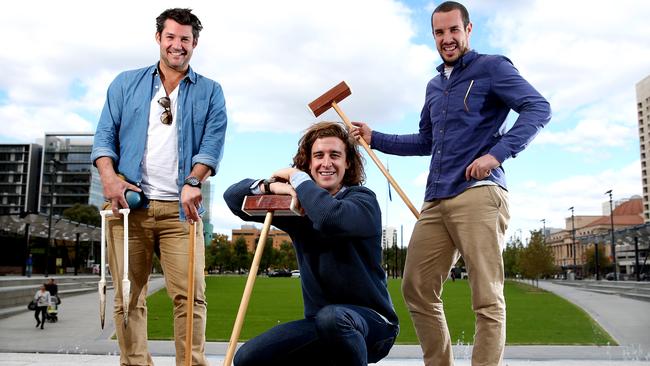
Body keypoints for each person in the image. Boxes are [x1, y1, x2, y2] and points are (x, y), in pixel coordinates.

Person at [352, 2, 551, 365]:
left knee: (486, 296)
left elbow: (538, 108)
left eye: (453, 30)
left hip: (479, 194)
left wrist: (497, 154)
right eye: (439, 33)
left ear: (468, 30)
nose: (447, 39)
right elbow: (425, 141)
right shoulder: (433, 85)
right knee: (416, 286)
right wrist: (374, 136)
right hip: (436, 199)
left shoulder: (491, 68)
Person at [91, 7, 227, 366]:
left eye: (185, 39)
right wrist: (109, 177)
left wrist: (193, 181)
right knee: (127, 297)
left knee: (190, 298)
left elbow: (211, 145)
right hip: (127, 207)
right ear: (158, 39)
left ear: (194, 44)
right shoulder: (125, 83)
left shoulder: (211, 92)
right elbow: (104, 136)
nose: (177, 45)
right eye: (171, 37)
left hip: (181, 213)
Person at [224, 122, 399, 366]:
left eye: (335, 155)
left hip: (374, 325)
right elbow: (232, 198)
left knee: (333, 318)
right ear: (309, 162)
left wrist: (297, 178)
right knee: (247, 358)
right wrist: (272, 186)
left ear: (347, 163)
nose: (326, 163)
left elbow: (328, 216)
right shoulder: (300, 208)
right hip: (322, 324)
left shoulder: (362, 200)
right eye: (318, 156)